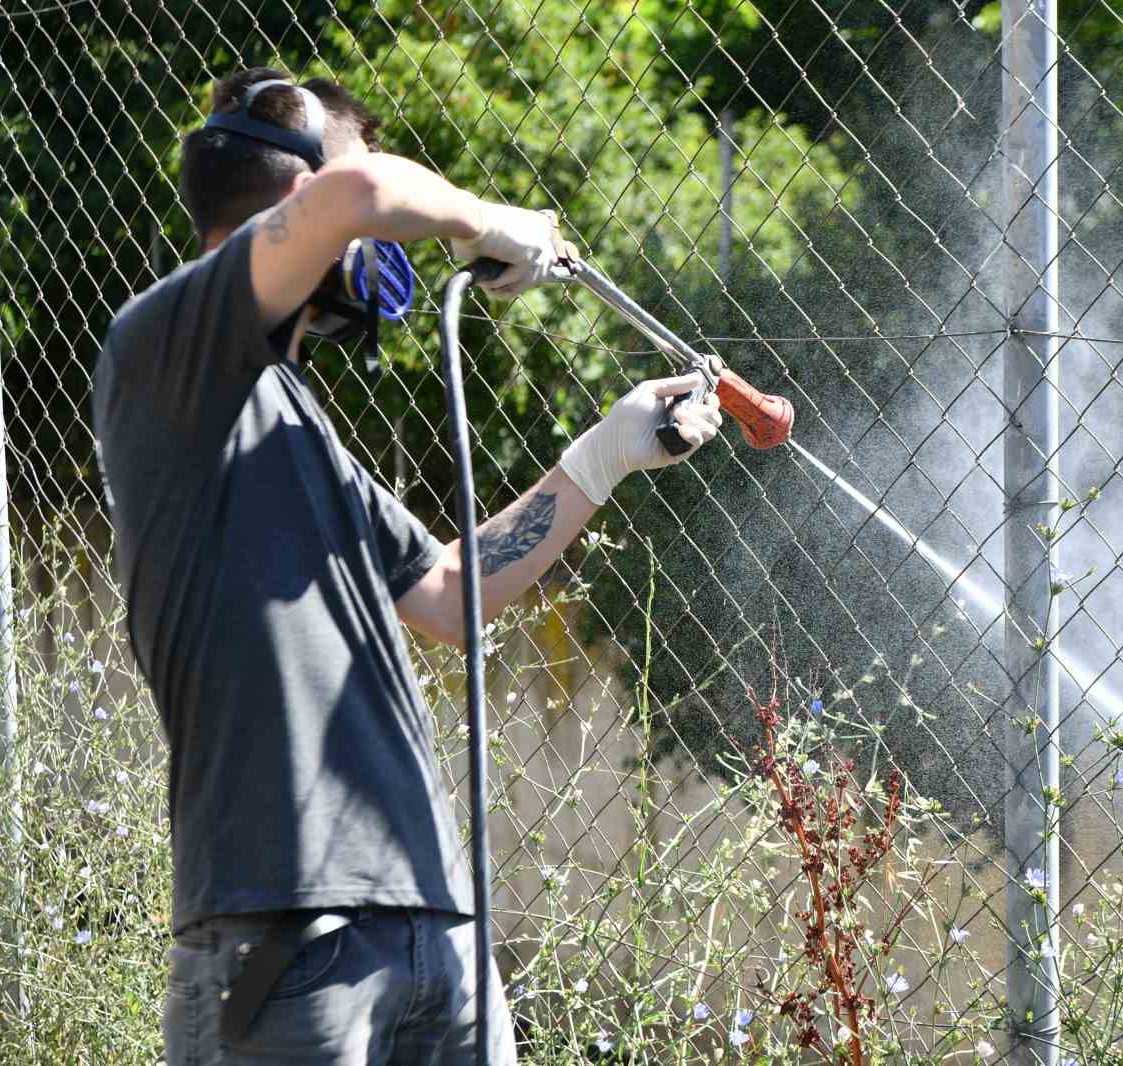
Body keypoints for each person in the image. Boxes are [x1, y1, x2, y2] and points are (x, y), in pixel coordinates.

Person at [91, 67, 722, 1065]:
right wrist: (487, 219)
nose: (385, 245)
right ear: (299, 196)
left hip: (432, 922)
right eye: (364, 188)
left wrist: (608, 450)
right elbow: (359, 197)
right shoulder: (165, 350)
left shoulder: (297, 428)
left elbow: (450, 596)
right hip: (286, 926)